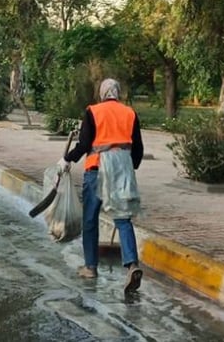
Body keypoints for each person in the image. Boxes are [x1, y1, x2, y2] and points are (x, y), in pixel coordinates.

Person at [62, 78, 145, 293]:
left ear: (102, 94)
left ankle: (90, 267)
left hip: (96, 168)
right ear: (117, 93)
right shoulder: (130, 113)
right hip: (121, 171)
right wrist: (130, 167)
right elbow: (138, 149)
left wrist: (68, 159)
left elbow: (85, 144)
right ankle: (132, 264)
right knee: (123, 218)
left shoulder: (93, 111)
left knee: (90, 219)